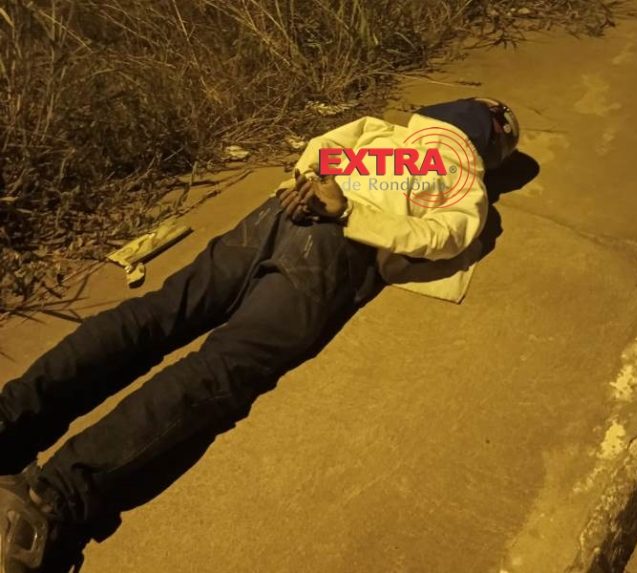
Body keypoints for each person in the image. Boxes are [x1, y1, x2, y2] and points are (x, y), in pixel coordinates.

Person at [0, 97, 519, 572]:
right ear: (490, 144)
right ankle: (49, 503)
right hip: (335, 245)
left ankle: (11, 420)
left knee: (156, 315)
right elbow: (445, 235)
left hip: (277, 212)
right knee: (223, 367)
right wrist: (350, 211)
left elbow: (318, 154)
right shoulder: (459, 172)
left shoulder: (382, 132)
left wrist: (309, 187)